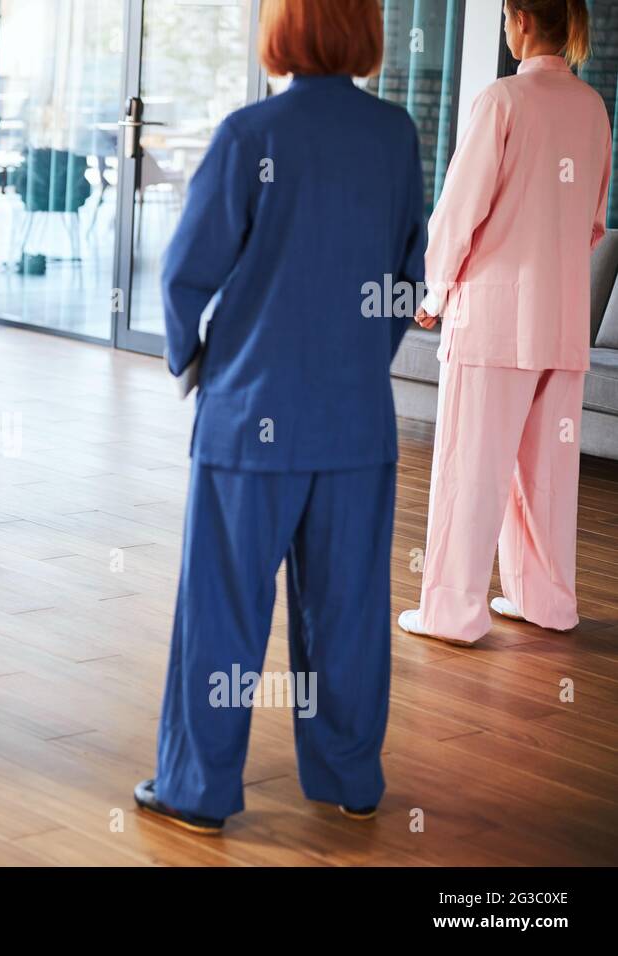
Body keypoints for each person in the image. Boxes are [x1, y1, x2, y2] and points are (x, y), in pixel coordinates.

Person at [135, 0, 426, 833]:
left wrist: (193, 361)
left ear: (283, 26)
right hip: (355, 422)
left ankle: (196, 789)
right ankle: (349, 777)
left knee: (222, 609)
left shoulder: (249, 133)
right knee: (351, 611)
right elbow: (408, 275)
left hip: (250, 417)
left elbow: (186, 271)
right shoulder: (395, 137)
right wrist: (362, 355)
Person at [399, 0, 608, 645]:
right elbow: (594, 221)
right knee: (549, 473)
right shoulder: (594, 108)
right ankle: (547, 604)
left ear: (517, 20)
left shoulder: (503, 100)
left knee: (472, 466)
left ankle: (452, 614)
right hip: (563, 321)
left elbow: (460, 212)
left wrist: (433, 292)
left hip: (493, 320)